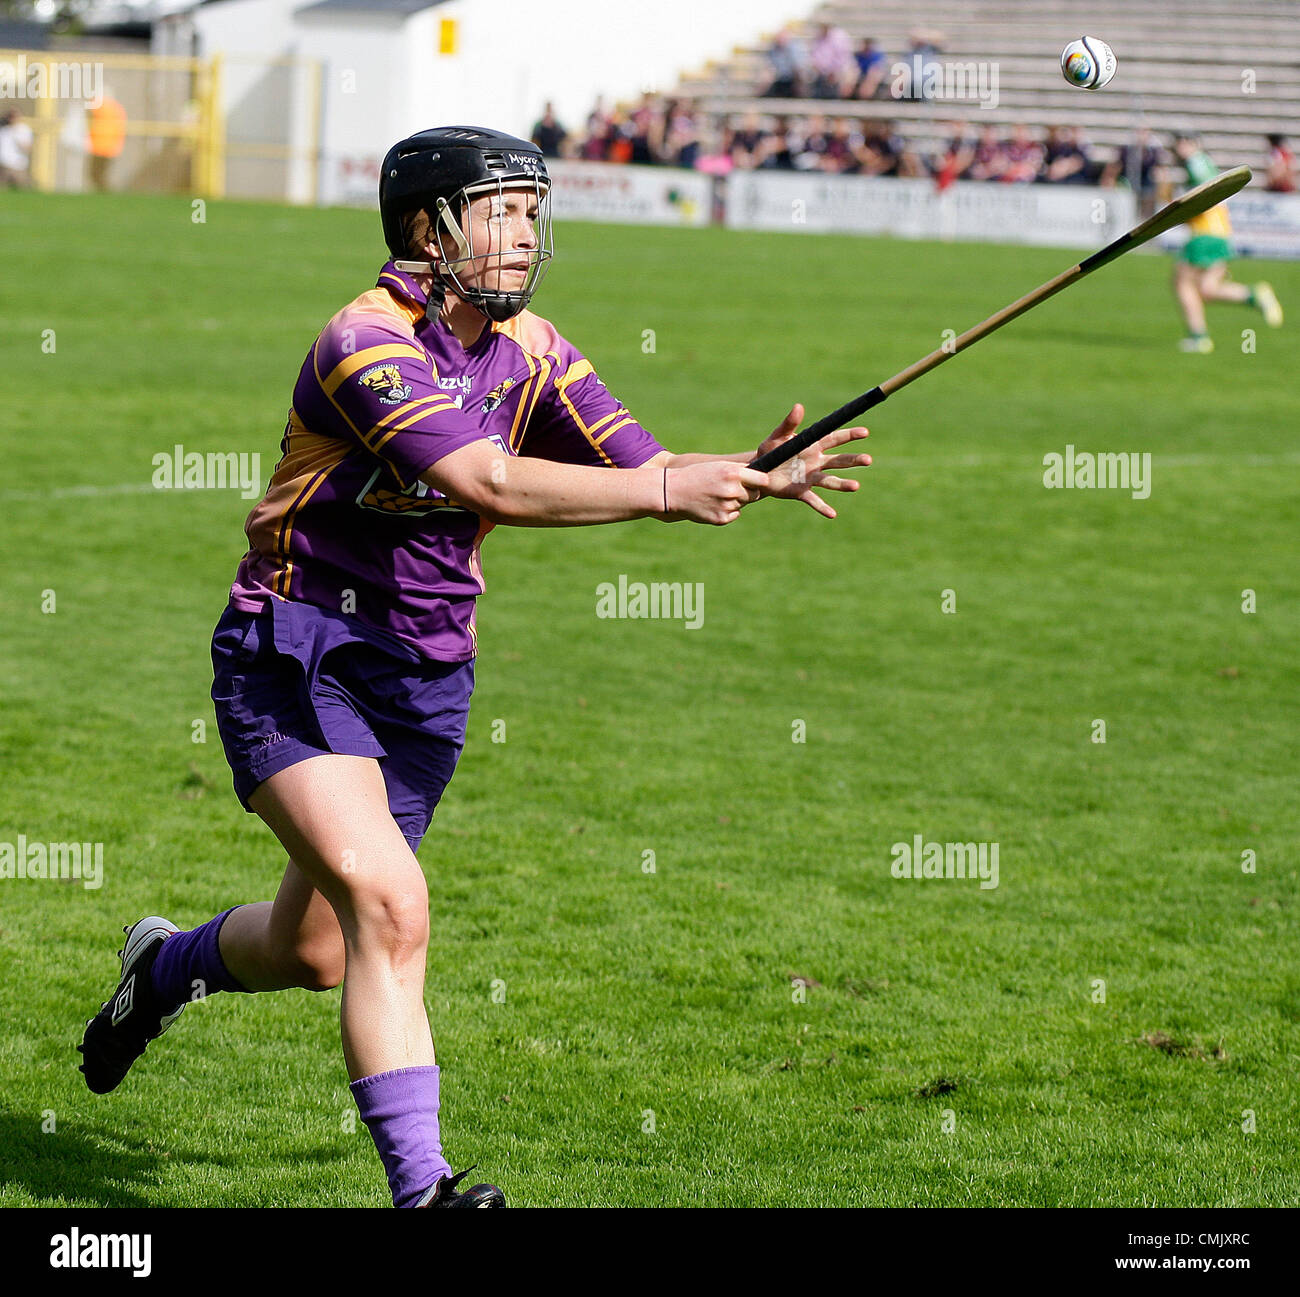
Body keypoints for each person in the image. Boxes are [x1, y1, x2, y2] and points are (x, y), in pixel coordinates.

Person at [76, 126, 871, 1209]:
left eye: (532, 214)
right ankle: (427, 1193)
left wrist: (743, 470)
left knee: (313, 950)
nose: (526, 234)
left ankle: (161, 971)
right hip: (298, 651)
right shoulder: (366, 341)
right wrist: (665, 494)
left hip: (424, 677)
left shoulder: (535, 347)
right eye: (503, 212)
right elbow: (486, 478)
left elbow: (644, 466)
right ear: (428, 228)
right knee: (393, 909)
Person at [1168, 131, 1282, 353]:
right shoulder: (1201, 162)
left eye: (1184, 142)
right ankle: (1254, 294)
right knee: (1207, 290)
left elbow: (1204, 190)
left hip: (1204, 234)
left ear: (1194, 144)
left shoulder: (1196, 162)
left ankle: (1199, 337)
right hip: (1220, 233)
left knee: (1183, 284)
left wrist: (1180, 207)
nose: (1180, 148)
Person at [86, 90, 126, 191]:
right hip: (110, 147)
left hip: (100, 147)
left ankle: (104, 192)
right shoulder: (117, 108)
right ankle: (104, 192)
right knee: (100, 174)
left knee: (96, 173)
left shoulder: (102, 107)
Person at [0, 108, 33, 188]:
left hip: (18, 166)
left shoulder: (24, 130)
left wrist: (19, 142)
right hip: (4, 166)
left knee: (23, 191)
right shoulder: (3, 130)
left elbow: (28, 148)